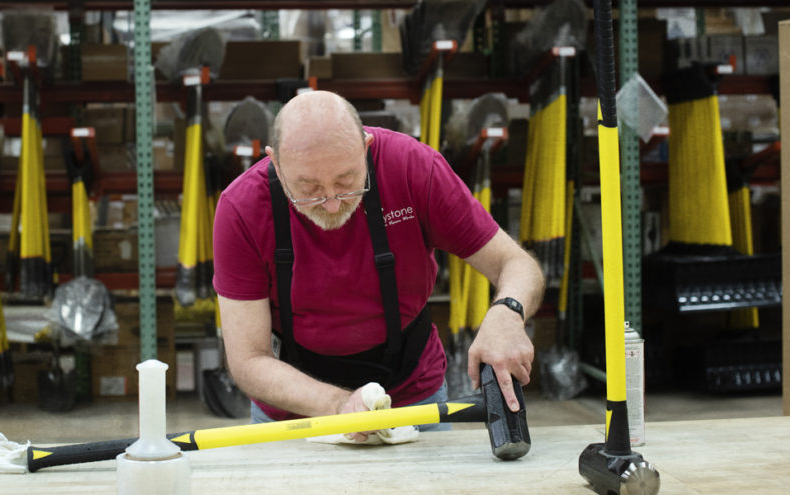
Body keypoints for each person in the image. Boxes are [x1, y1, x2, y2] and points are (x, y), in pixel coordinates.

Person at [212, 90, 544, 440]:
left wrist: (508, 312)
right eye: (308, 188)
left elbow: (516, 263)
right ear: (275, 164)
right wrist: (339, 405)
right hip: (295, 413)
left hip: (413, 399)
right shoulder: (242, 208)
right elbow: (248, 360)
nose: (330, 203)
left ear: (366, 147)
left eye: (346, 182)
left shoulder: (413, 169)